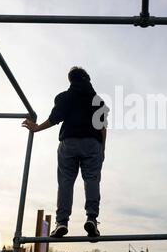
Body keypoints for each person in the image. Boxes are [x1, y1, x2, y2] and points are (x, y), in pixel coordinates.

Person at [22, 66, 108, 238]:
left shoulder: (64, 97)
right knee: (92, 180)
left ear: (70, 80)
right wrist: (102, 148)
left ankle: (62, 222)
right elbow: (103, 127)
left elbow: (55, 118)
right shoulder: (98, 101)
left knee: (66, 182)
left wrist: (36, 128)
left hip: (68, 143)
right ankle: (92, 218)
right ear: (87, 80)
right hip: (92, 143)